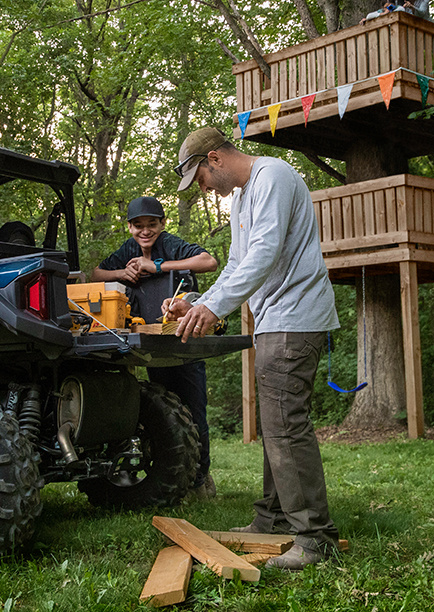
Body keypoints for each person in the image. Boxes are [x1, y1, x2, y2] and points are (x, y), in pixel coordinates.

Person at [165, 127, 340, 571]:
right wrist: (200, 303)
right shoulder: (243, 198)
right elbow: (239, 265)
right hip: (274, 321)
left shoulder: (274, 177)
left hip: (295, 318)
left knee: (286, 425)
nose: (204, 189)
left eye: (200, 178)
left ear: (215, 158)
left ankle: (316, 539)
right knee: (276, 423)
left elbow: (264, 254)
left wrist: (215, 307)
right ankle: (275, 519)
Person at [91, 196, 219, 498]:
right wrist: (123, 273)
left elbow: (208, 262)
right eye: (138, 226)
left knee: (194, 409)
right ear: (130, 226)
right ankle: (178, 474)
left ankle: (201, 480)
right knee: (162, 410)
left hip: (183, 339)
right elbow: (96, 274)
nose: (144, 231)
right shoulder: (128, 250)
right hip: (149, 341)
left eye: (151, 225)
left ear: (162, 224)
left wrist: (157, 265)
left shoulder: (170, 244)